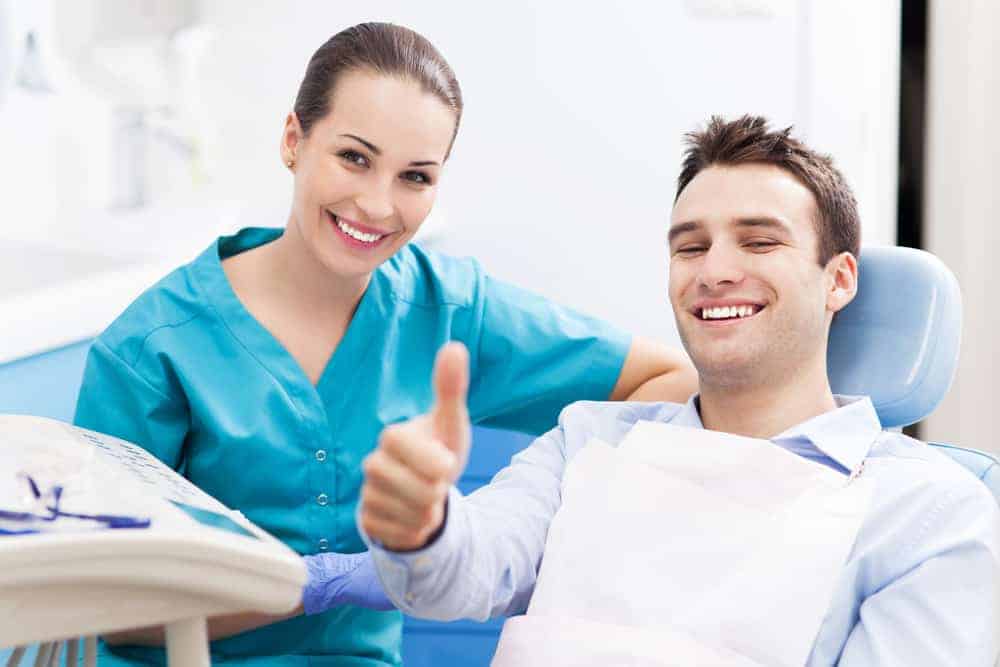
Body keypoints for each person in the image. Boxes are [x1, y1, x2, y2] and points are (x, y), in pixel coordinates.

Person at [72, 22, 697, 667]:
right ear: (294, 141)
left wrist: (501, 524)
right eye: (354, 158)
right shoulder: (153, 348)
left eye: (415, 177)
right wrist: (312, 586)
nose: (377, 204)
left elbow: (670, 383)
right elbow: (103, 605)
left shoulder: (450, 310)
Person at [359, 115, 1000, 665]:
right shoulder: (586, 440)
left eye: (759, 241)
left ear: (838, 281)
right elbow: (458, 577)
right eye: (690, 247)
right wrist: (422, 526)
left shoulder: (930, 514)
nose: (715, 272)